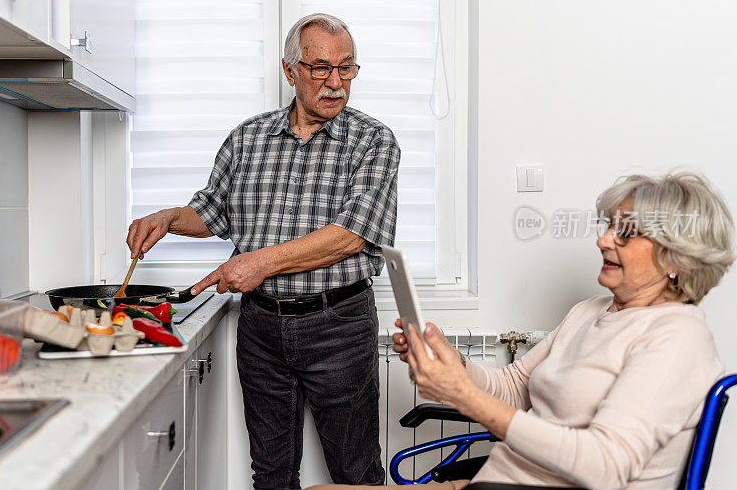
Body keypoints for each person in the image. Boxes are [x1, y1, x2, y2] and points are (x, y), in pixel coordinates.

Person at [308, 171, 734, 490]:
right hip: (495, 479)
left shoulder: (677, 338)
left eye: (626, 233)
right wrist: (455, 364)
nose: (604, 241)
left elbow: (604, 466)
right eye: (606, 226)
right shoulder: (591, 310)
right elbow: (515, 387)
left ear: (678, 257)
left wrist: (463, 395)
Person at [126, 13, 399, 489]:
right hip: (261, 330)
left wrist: (257, 262)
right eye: (320, 68)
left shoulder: (374, 141)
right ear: (289, 70)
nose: (335, 83)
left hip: (339, 326)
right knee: (270, 474)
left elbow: (352, 234)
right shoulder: (246, 138)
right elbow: (212, 212)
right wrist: (169, 218)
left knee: (356, 475)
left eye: (346, 68)